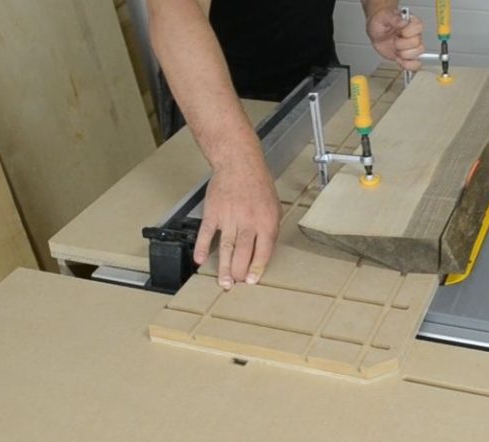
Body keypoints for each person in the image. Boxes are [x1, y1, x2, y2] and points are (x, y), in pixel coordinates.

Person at [147, 0, 424, 290]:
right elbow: (174, 9)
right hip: (217, 105)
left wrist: (380, 9)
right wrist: (236, 164)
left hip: (316, 79)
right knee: (213, 273)